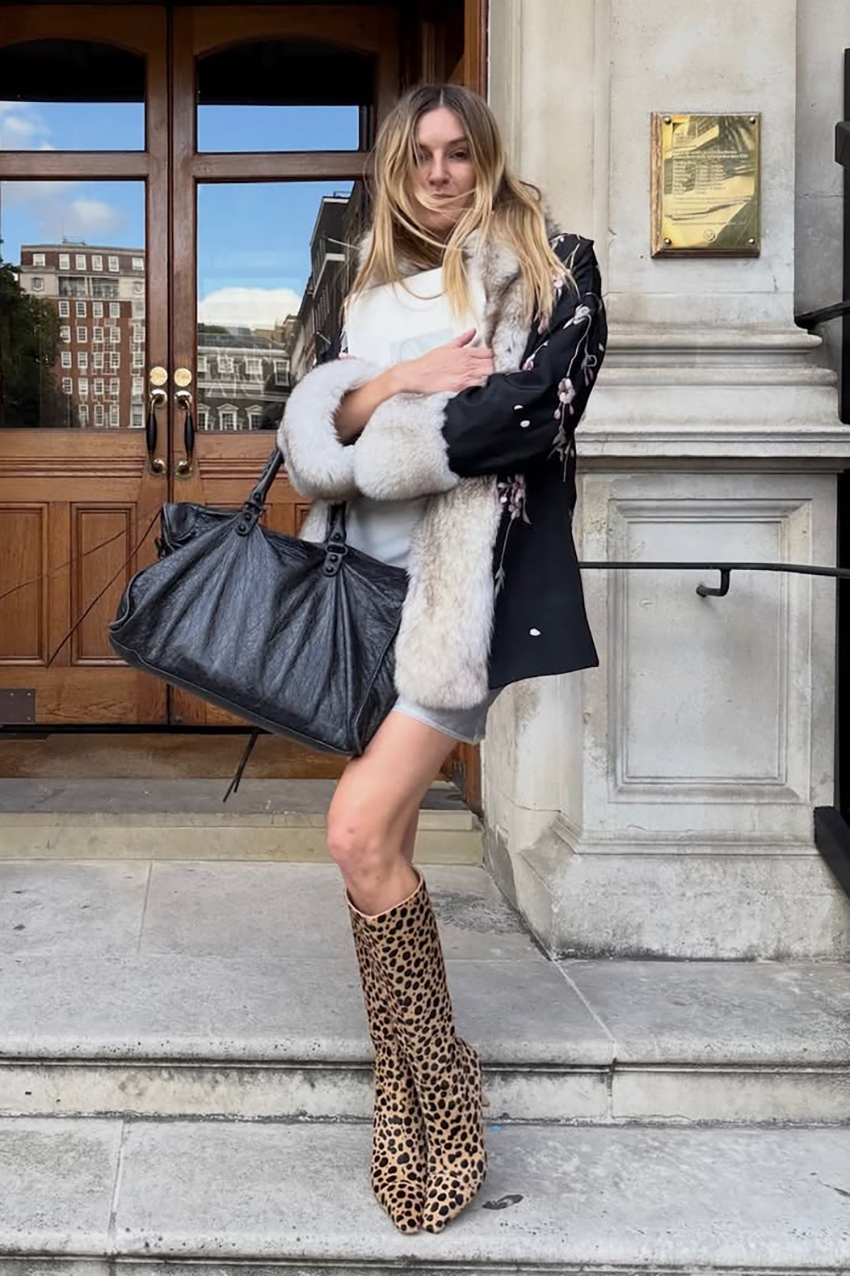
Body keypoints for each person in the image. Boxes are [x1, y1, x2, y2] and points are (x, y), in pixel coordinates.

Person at [277, 82, 607, 1235]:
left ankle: (445, 1084)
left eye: (459, 153)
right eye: (418, 156)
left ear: (486, 158)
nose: (438, 174)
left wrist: (371, 435)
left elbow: (529, 417)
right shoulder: (355, 281)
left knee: (355, 834)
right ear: (393, 168)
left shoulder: (553, 268)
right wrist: (392, 384)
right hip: (355, 596)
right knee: (385, 852)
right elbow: (305, 425)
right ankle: (405, 1086)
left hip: (457, 606)